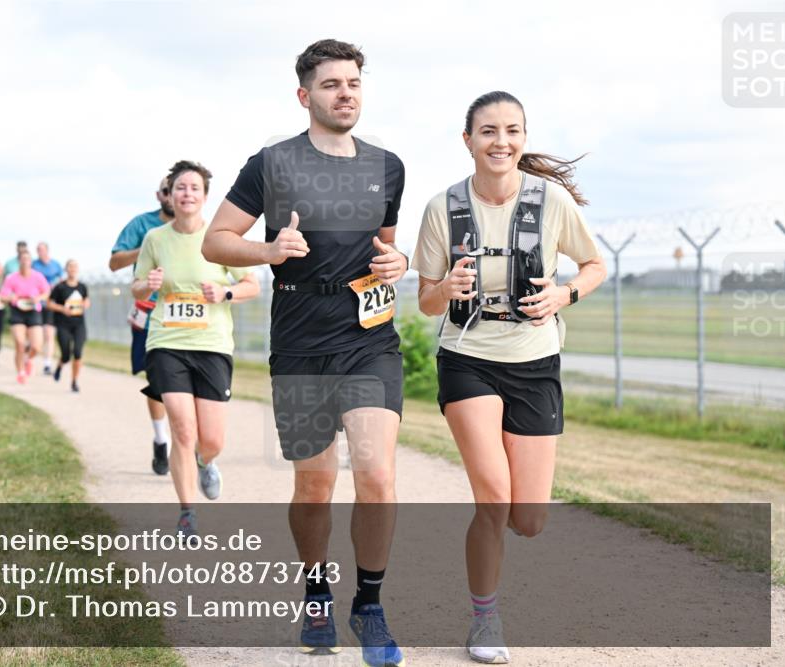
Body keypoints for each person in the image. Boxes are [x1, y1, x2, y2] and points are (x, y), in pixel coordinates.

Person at [202, 39, 407, 665]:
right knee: (315, 484)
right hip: (299, 340)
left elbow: (384, 246)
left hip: (368, 337)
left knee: (375, 475)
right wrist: (268, 251)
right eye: (331, 85)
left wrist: (395, 262)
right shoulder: (272, 164)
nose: (345, 93)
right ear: (305, 96)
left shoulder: (387, 165)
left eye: (354, 83)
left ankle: (368, 604)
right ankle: (316, 588)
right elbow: (217, 240)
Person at [411, 90, 607, 664]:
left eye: (513, 130)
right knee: (493, 499)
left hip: (535, 360)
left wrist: (564, 293)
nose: (501, 141)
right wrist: (444, 289)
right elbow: (424, 299)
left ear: (523, 138)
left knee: (529, 519)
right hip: (467, 354)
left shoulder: (550, 202)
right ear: (467, 139)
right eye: (489, 131)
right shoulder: (442, 207)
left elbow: (594, 265)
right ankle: (484, 617)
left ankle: (505, 547)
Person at [133, 160, 259, 535]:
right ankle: (187, 511)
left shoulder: (219, 239)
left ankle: (207, 462)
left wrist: (225, 292)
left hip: (212, 345)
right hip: (167, 342)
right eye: (180, 188)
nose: (187, 194)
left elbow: (251, 284)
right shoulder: (155, 239)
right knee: (183, 429)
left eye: (194, 188)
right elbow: (138, 288)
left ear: (205, 197)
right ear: (169, 195)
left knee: (211, 440)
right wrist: (148, 283)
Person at [110, 176, 175, 475]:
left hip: (188, 314)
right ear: (159, 195)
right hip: (148, 312)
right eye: (167, 190)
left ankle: (187, 442)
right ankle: (162, 440)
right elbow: (114, 262)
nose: (173, 196)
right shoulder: (142, 225)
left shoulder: (198, 226)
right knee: (157, 381)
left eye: (179, 190)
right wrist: (148, 247)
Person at [0, 249, 50, 384]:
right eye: (23, 259)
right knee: (20, 343)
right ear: (19, 261)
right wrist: (10, 297)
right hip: (17, 311)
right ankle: (21, 372)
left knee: (37, 346)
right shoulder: (11, 277)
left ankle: (28, 359)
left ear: (31, 261)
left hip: (33, 310)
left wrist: (39, 298)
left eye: (28, 259)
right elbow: (3, 296)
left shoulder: (38, 276)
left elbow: (46, 292)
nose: (25, 261)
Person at [47, 259, 91, 392]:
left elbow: (87, 300)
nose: (72, 269)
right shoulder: (60, 287)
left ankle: (74, 381)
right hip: (63, 324)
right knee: (66, 355)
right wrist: (62, 308)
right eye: (70, 267)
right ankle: (60, 367)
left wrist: (86, 304)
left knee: (77, 352)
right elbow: (49, 303)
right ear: (66, 269)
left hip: (79, 325)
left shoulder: (82, 287)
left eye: (75, 267)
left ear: (77, 270)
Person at [32, 241, 64, 375]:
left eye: (42, 249)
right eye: (38, 250)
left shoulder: (56, 265)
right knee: (36, 337)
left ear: (47, 250)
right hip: (37, 305)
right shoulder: (34, 265)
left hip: (50, 304)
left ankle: (47, 364)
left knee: (49, 335)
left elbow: (61, 281)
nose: (40, 252)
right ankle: (30, 357)